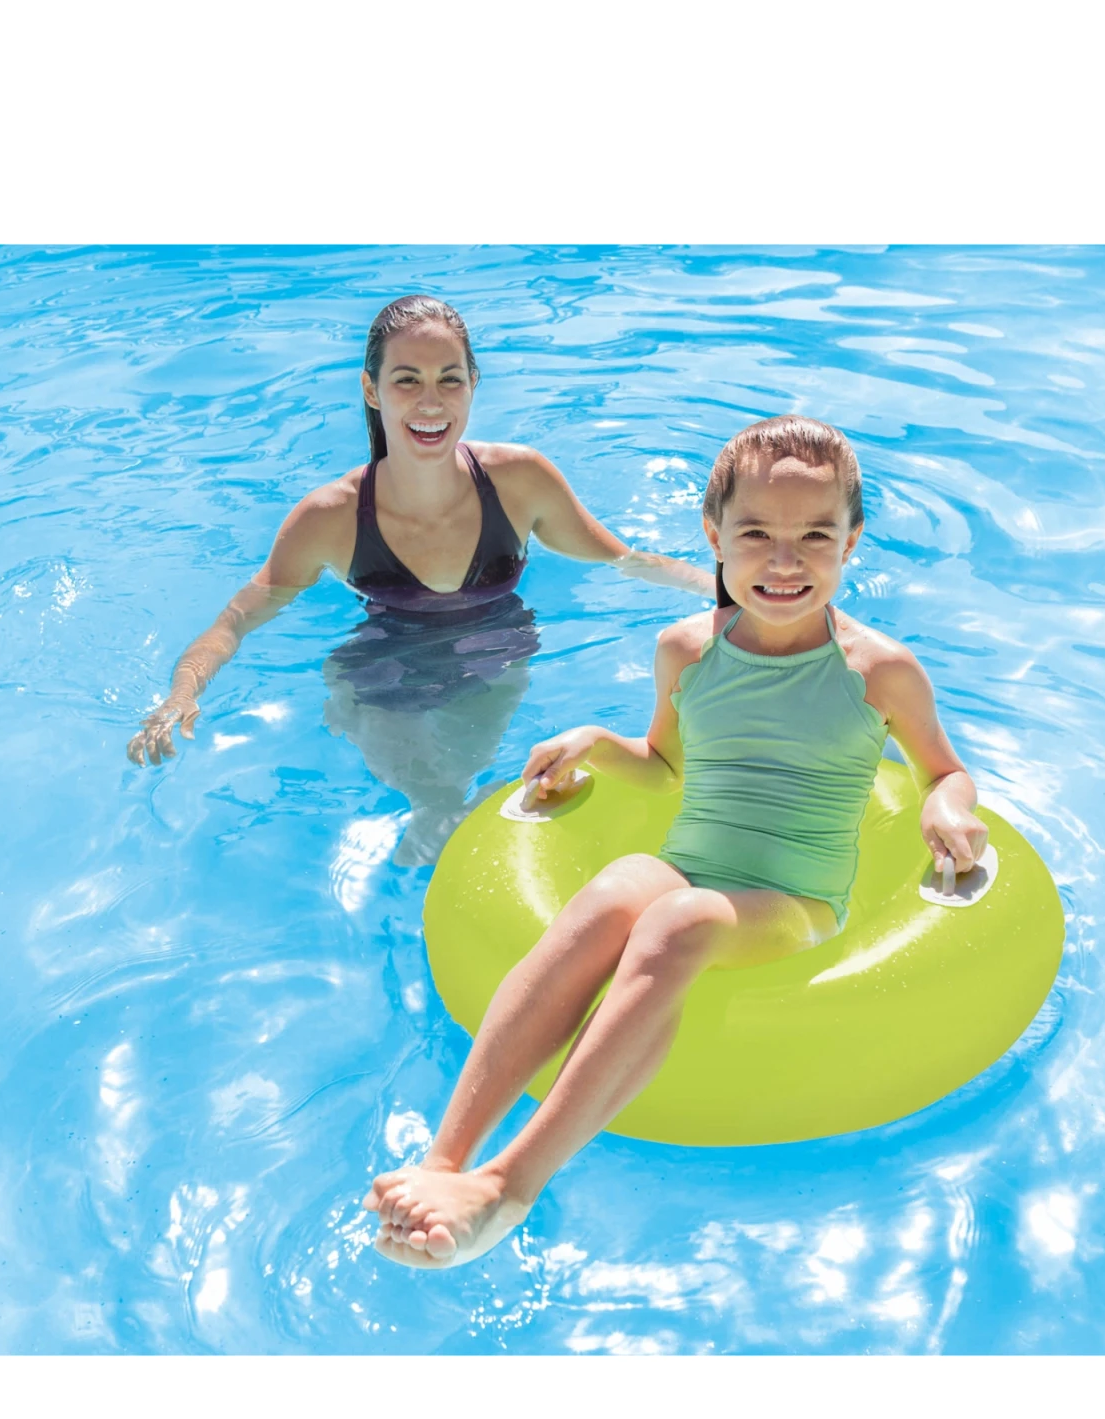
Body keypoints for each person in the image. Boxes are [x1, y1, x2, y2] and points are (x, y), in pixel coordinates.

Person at [364, 415, 990, 1267]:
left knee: (677, 920)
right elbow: (664, 767)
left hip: (795, 901)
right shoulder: (687, 651)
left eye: (815, 537)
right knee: (618, 888)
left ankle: (508, 1187)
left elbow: (945, 771)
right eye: (756, 535)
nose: (784, 562)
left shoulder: (878, 670)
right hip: (693, 867)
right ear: (714, 535)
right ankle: (444, 1161)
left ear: (852, 542)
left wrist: (946, 808)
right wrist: (596, 743)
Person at [127, 295, 711, 863]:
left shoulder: (520, 480)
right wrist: (182, 694)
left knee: (456, 783)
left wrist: (727, 593)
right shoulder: (330, 517)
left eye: (449, 380)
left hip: (496, 648)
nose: (431, 403)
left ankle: (443, 832)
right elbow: (235, 621)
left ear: (473, 384)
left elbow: (625, 560)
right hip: (384, 664)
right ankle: (426, 815)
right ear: (371, 389)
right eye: (407, 380)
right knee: (435, 793)